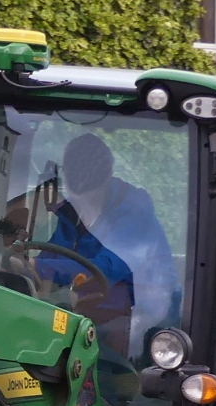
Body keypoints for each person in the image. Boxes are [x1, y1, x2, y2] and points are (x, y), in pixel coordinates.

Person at [34, 133, 178, 359]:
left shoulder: (134, 212)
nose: (83, 206)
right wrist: (26, 266)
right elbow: (54, 252)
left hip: (143, 307)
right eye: (76, 198)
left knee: (103, 355)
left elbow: (105, 269)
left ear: (109, 176)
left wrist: (40, 267)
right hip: (91, 300)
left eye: (89, 198)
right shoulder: (73, 211)